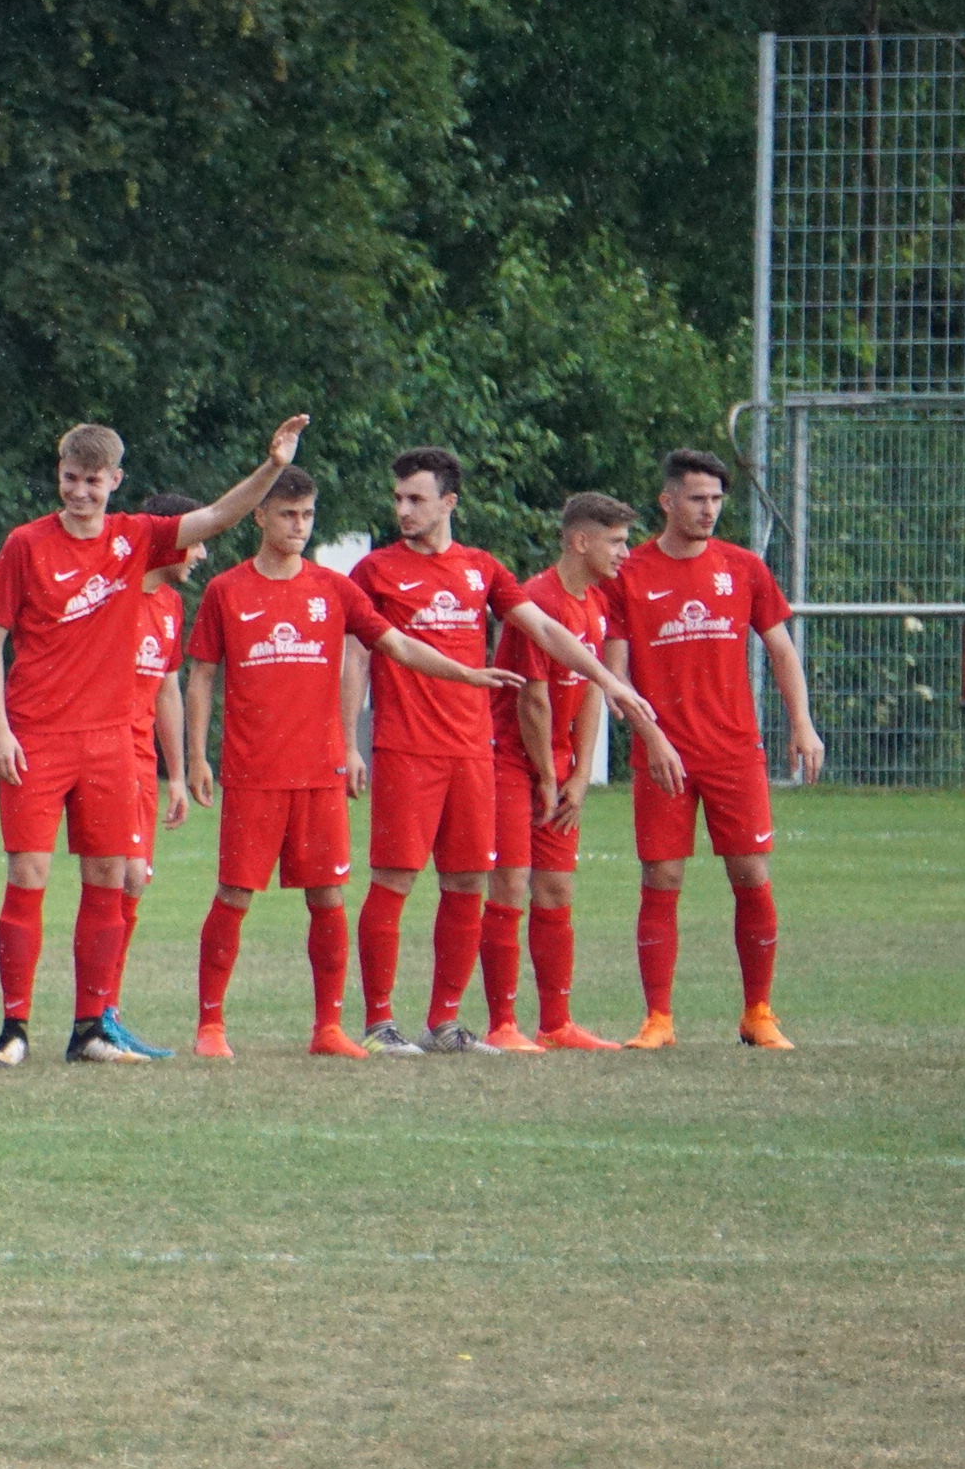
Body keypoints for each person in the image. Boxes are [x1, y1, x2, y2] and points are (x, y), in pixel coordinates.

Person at [0, 415, 305, 1066]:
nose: (79, 492)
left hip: (107, 744)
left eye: (93, 481)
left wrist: (271, 467)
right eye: (70, 478)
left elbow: (214, 518)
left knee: (107, 878)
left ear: (114, 481)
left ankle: (91, 1027)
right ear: (59, 476)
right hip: (37, 736)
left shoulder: (134, 539)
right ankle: (14, 1030)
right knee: (28, 874)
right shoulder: (25, 544)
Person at [182, 466, 520, 1058]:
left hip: (319, 772)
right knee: (234, 894)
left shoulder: (333, 589)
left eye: (308, 515)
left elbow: (395, 644)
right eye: (287, 515)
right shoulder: (226, 590)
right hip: (254, 772)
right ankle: (211, 1027)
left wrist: (465, 673)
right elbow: (202, 676)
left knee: (329, 898)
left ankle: (328, 1028)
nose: (299, 526)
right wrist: (196, 758)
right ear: (259, 516)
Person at [346, 447, 657, 1056]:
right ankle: (381, 1023)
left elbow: (543, 628)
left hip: (472, 752)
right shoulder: (375, 571)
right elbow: (356, 658)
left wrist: (611, 680)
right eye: (399, 499)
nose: (403, 510)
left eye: (416, 499)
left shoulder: (482, 569)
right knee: (394, 880)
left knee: (467, 883)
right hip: (406, 747)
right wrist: (345, 741)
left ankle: (444, 1023)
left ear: (449, 503)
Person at [601, 447, 820, 1050]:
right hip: (663, 753)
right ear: (667, 501)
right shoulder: (631, 573)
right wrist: (651, 737)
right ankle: (658, 1020)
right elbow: (614, 676)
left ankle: (758, 1013)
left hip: (733, 752)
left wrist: (802, 723)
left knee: (751, 874)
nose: (709, 510)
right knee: (662, 877)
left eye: (718, 499)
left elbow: (780, 649)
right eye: (697, 498)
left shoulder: (744, 567)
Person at [478, 492, 647, 1053]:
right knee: (511, 882)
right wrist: (549, 779)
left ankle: (556, 1022)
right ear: (580, 540)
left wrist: (577, 776)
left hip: (556, 767)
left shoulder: (594, 603)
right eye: (617, 541)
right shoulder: (537, 599)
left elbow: (594, 689)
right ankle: (502, 1024)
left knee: (555, 888)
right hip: (510, 761)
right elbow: (533, 702)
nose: (625, 553)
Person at [98, 489, 204, 1059]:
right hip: (100, 750)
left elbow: (166, 686)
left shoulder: (168, 605)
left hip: (141, 760)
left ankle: (104, 1010)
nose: (201, 554)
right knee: (121, 877)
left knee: (133, 880)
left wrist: (179, 774)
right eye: (196, 542)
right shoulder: (111, 595)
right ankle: (97, 1014)